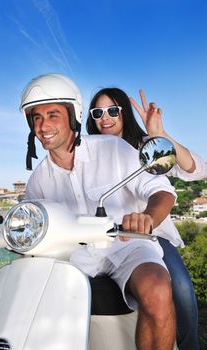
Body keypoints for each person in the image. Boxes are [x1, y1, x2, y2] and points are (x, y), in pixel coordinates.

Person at [20, 73, 179, 350]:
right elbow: (32, 224)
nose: (43, 125)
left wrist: (147, 218)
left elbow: (161, 190)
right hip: (77, 257)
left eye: (53, 115)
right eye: (36, 118)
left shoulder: (113, 148)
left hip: (127, 244)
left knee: (157, 288)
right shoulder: (38, 181)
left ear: (73, 117)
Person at [86, 87, 207, 350]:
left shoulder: (145, 147)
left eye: (112, 110)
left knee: (182, 289)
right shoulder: (87, 153)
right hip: (102, 238)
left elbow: (198, 170)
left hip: (148, 234)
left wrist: (159, 135)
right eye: (98, 112)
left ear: (124, 114)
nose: (105, 117)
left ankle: (188, 346)